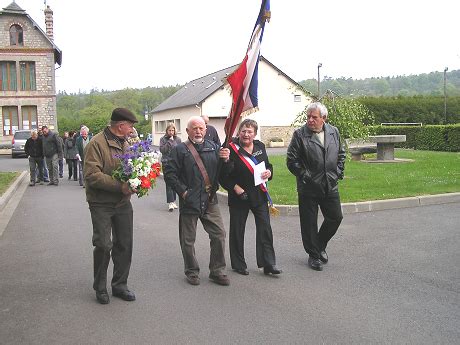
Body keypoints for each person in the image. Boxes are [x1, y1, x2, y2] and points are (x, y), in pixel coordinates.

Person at [164, 116, 230, 286]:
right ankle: (192, 271)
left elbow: (223, 176)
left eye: (201, 128)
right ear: (187, 131)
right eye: (194, 128)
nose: (198, 131)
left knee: (219, 235)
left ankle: (217, 271)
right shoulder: (179, 150)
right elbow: (170, 174)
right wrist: (184, 193)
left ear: (206, 130)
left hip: (210, 200)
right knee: (188, 240)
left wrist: (226, 160)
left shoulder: (215, 148)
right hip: (190, 201)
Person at [84, 108, 138, 304]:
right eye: (130, 126)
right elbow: (92, 175)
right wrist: (120, 186)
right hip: (101, 203)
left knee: (124, 244)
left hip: (123, 203)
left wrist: (140, 178)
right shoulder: (96, 144)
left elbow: (133, 166)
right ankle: (100, 287)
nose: (132, 130)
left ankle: (120, 285)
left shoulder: (128, 143)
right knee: (103, 245)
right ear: (121, 125)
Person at [286, 102, 346, 271]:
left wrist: (338, 172)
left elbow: (341, 154)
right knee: (309, 223)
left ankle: (319, 245)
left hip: (330, 184)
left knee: (335, 217)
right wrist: (306, 176)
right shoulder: (300, 135)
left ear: (324, 118)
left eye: (314, 117)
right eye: (308, 117)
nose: (310, 120)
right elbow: (292, 160)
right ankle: (313, 255)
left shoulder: (334, 132)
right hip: (309, 187)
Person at [220, 119, 282, 276]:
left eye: (250, 131)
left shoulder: (260, 146)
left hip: (259, 195)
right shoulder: (229, 148)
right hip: (239, 195)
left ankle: (268, 263)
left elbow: (268, 166)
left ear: (255, 134)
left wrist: (269, 172)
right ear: (238, 132)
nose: (246, 134)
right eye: (243, 131)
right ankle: (238, 264)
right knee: (237, 229)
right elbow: (222, 176)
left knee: (265, 229)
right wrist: (235, 188)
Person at [159, 123, 181, 211]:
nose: (171, 132)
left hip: (175, 163)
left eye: (173, 130)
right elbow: (162, 150)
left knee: (175, 182)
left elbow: (179, 150)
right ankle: (170, 202)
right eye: (169, 130)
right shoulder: (163, 139)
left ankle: (174, 201)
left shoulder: (178, 139)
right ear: (167, 131)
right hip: (166, 163)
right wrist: (169, 142)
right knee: (168, 182)